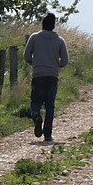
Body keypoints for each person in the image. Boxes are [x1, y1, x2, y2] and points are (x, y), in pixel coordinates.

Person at [23, 12, 69, 142]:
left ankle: (37, 117)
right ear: (54, 26)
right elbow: (65, 61)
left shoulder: (34, 38)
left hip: (38, 75)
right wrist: (55, 65)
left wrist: (35, 63)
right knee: (50, 104)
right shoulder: (60, 41)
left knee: (35, 101)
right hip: (52, 76)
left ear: (42, 24)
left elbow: (26, 56)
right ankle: (47, 134)